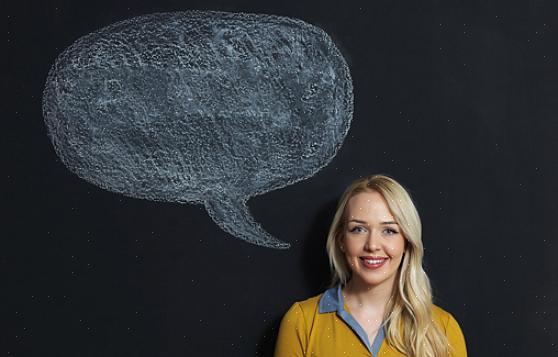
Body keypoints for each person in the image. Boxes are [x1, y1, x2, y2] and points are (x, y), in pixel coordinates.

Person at [274, 174, 467, 357]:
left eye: (389, 231)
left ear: (406, 241)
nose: (372, 245)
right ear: (341, 239)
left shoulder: (442, 329)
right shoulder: (302, 321)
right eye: (358, 229)